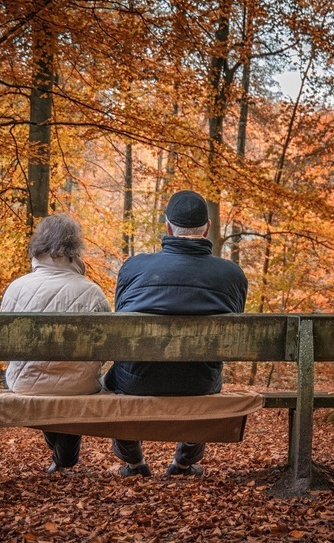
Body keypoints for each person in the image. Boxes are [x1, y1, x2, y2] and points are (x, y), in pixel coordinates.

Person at [103, 189, 248, 478]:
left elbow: (121, 321)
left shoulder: (133, 268)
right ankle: (183, 464)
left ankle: (133, 464)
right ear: (207, 228)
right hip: (199, 382)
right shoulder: (231, 275)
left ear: (168, 227)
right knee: (203, 374)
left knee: (117, 375)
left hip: (137, 381)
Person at [2, 213, 111, 475]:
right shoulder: (91, 291)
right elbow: (107, 350)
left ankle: (63, 459)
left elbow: (6, 348)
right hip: (80, 385)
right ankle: (65, 458)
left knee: (48, 386)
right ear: (75, 250)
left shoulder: (15, 289)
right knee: (71, 385)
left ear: (38, 246)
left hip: (24, 383)